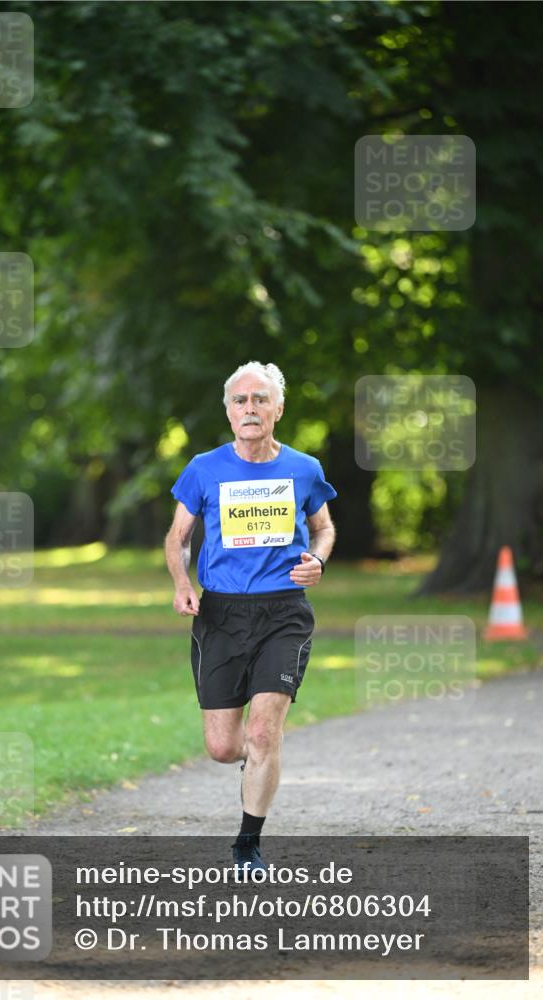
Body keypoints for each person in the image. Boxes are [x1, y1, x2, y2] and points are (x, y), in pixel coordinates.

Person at [164, 361, 337, 873]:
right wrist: (181, 585)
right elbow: (178, 539)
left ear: (278, 408)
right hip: (221, 613)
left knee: (263, 733)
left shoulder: (304, 469)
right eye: (240, 401)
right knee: (222, 746)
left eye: (260, 399)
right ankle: (257, 759)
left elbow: (324, 528)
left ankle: (247, 844)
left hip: (283, 611)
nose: (250, 409)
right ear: (228, 411)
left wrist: (317, 559)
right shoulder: (203, 468)